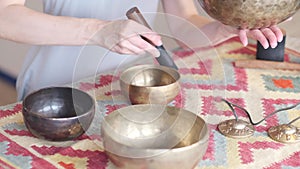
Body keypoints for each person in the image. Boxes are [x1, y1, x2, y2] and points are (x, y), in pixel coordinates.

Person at [0, 0, 283, 100]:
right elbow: (5, 16)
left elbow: (184, 22)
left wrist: (224, 29)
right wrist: (98, 31)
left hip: (128, 91)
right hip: (56, 91)